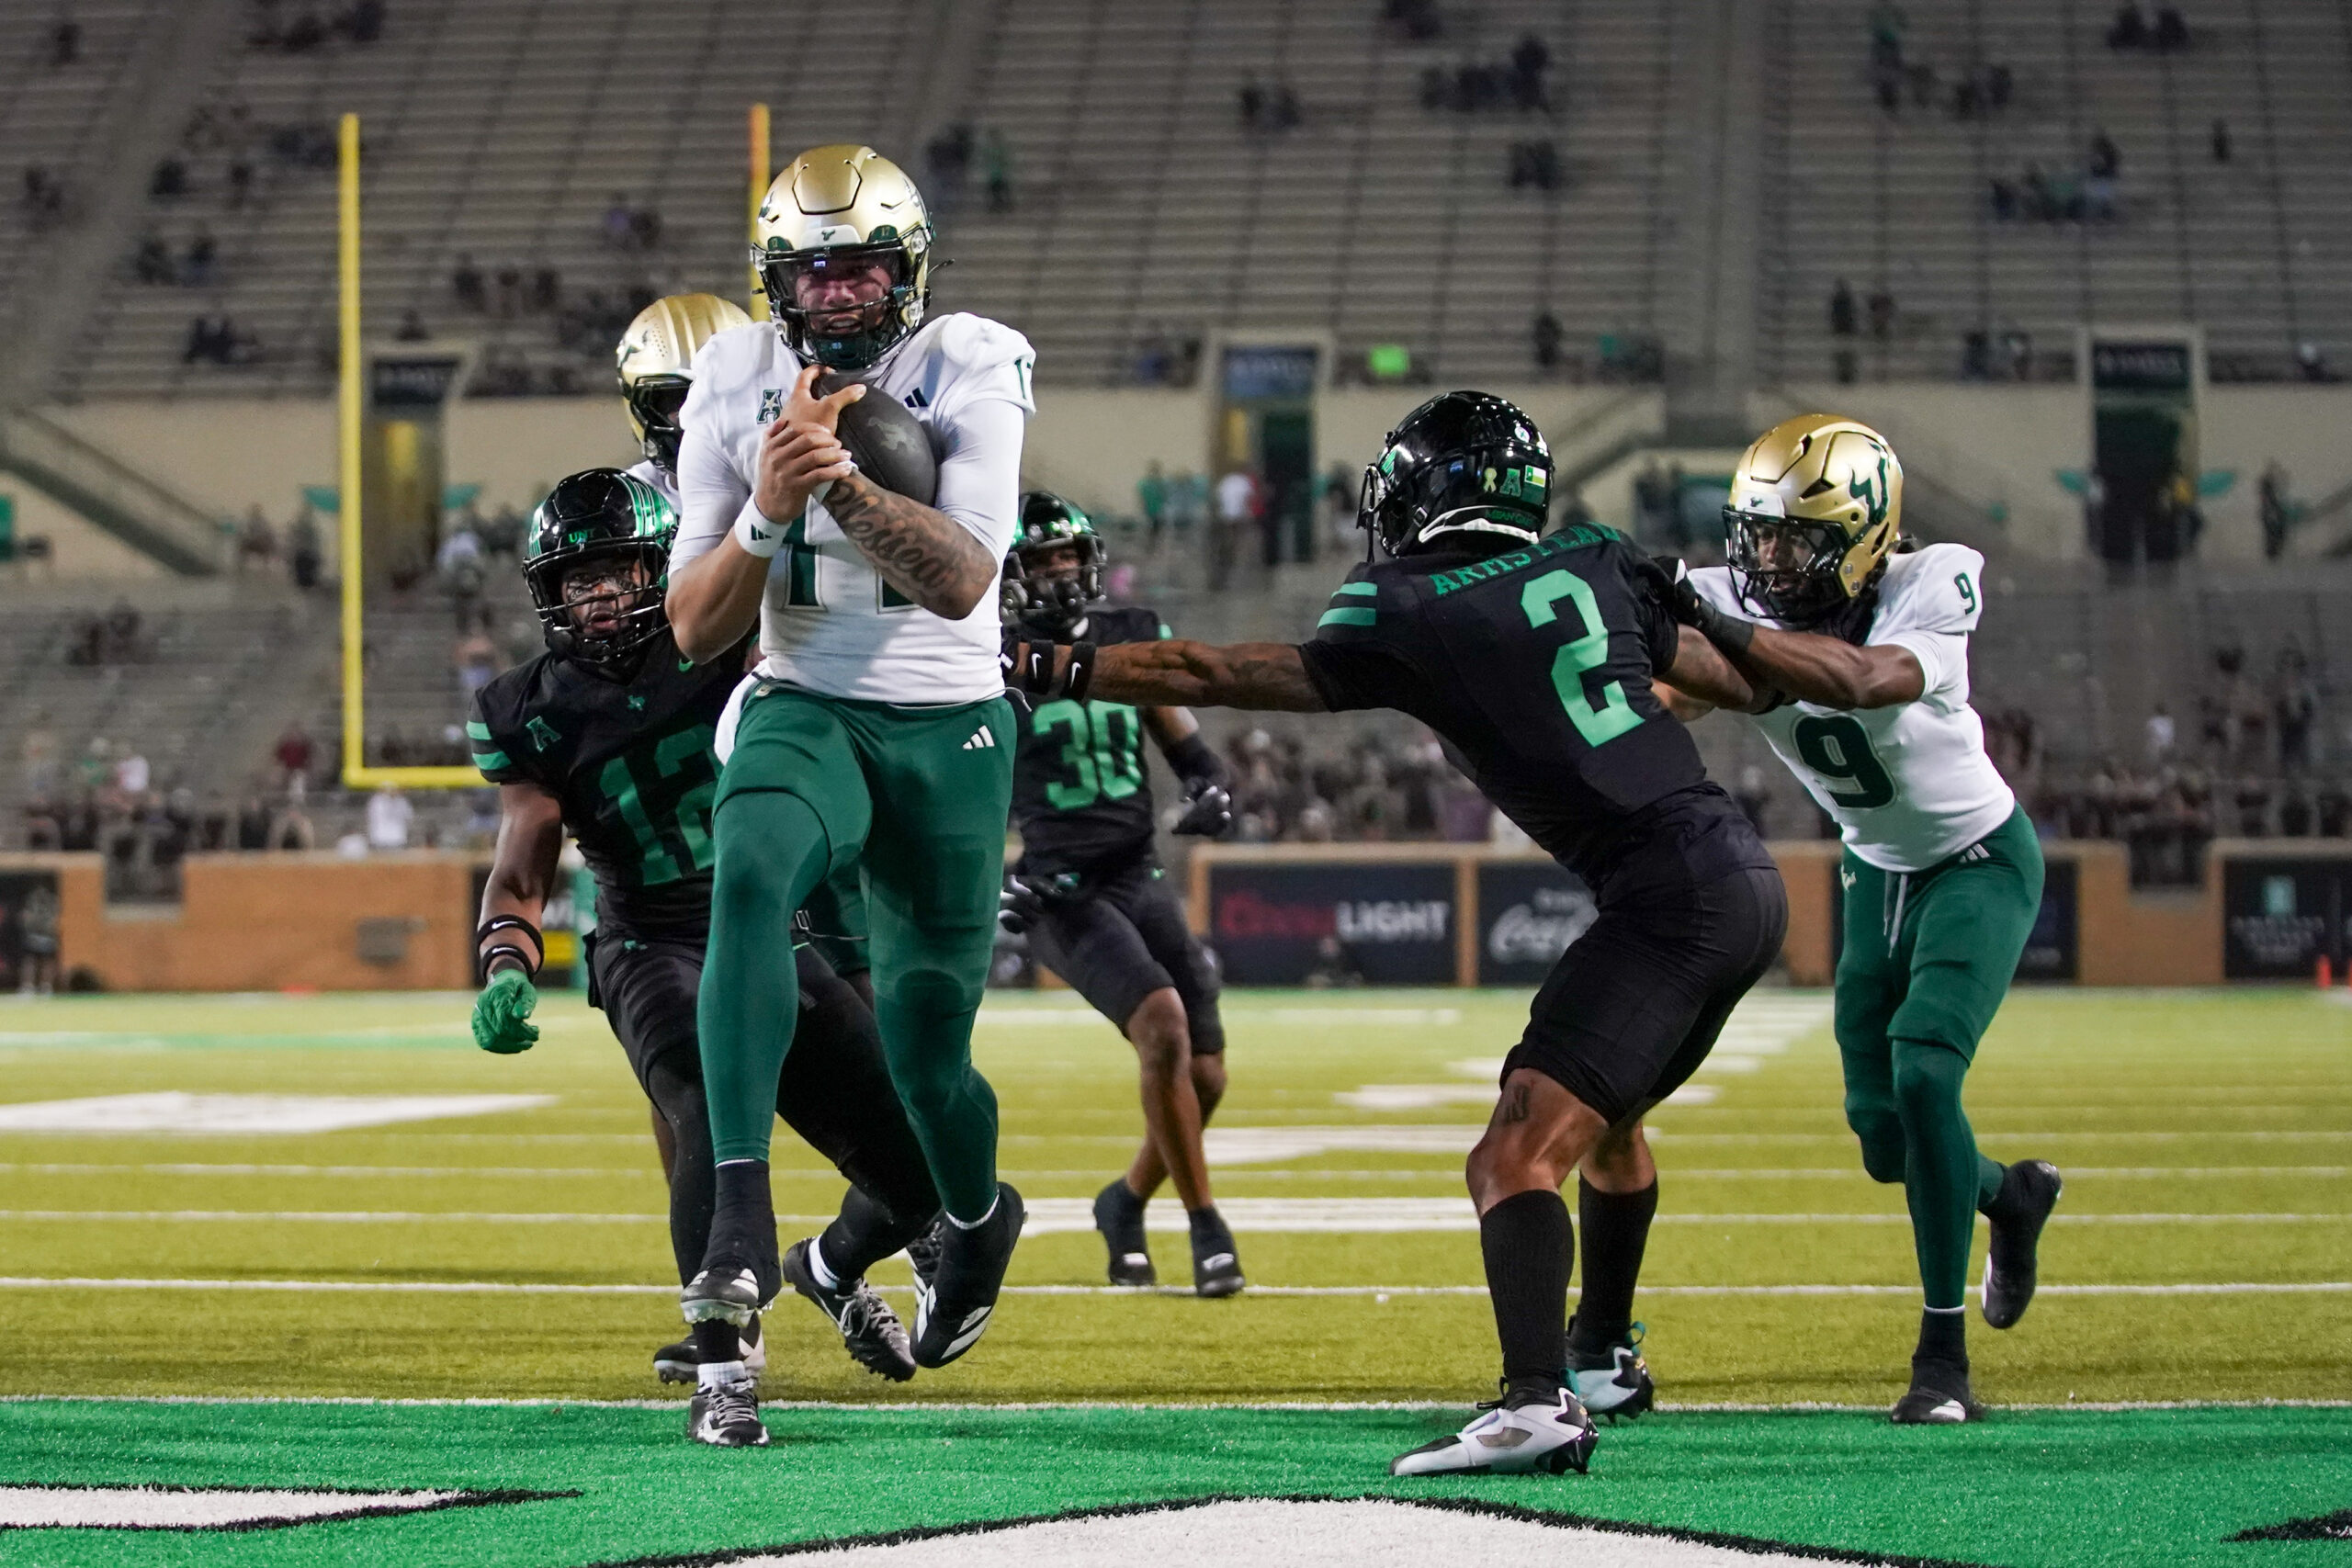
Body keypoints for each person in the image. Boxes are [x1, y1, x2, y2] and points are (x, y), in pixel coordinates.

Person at [1004, 390, 1786, 1476]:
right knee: (1602, 1129)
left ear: (1428, 488)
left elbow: (1209, 673)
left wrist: (1048, 665)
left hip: (1664, 896)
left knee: (1510, 1154)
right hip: (1740, 876)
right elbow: (1728, 687)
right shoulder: (1597, 559)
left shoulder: (1407, 600)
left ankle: (1536, 1403)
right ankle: (1600, 1354)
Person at [471, 469, 942, 1449]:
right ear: (547, 594)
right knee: (699, 1103)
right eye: (575, 581)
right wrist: (507, 964)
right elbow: (522, 864)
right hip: (647, 942)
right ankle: (721, 1366)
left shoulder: (731, 646)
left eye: (614, 572)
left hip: (763, 927)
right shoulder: (529, 706)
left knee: (916, 1175)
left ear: (659, 568)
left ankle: (833, 1269)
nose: (595, 597)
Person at [665, 145, 1035, 1381]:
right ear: (775, 280)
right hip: (805, 696)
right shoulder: (729, 373)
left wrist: (841, 483)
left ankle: (980, 1220)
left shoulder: (973, 359)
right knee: (750, 872)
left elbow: (963, 577)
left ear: (909, 269)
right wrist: (768, 510)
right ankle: (737, 1215)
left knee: (929, 1056)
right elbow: (697, 626)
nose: (835, 295)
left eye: (861, 266)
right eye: (810, 272)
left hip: (950, 723)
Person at [1660, 413, 2065, 1425]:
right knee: (1886, 1139)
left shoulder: (1930, 583)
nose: (1764, 558)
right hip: (1872, 871)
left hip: (1976, 857)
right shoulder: (1726, 599)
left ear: (1869, 535)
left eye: (1793, 539)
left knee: (1928, 1072)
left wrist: (1717, 630)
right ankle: (2007, 1199)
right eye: (1752, 534)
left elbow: (1866, 679)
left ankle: (1941, 1359)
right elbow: (1673, 694)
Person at [996, 492, 1242, 1295]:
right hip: (1061, 888)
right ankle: (1208, 1227)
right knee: (1163, 1025)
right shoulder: (991, 659)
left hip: (1138, 870)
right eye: (1044, 560)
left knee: (1205, 1075)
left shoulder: (1127, 635)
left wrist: (1210, 787)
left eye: (1071, 556)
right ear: (1014, 572)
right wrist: (997, 872)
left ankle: (1125, 1202)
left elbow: (1187, 743)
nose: (1063, 573)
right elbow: (962, 778)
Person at [616, 291, 876, 998]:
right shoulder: (628, 511)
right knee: (687, 1003)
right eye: (673, 398)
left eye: (703, 393)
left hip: (804, 733)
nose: (689, 414)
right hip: (689, 772)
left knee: (861, 989)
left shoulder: (807, 458)